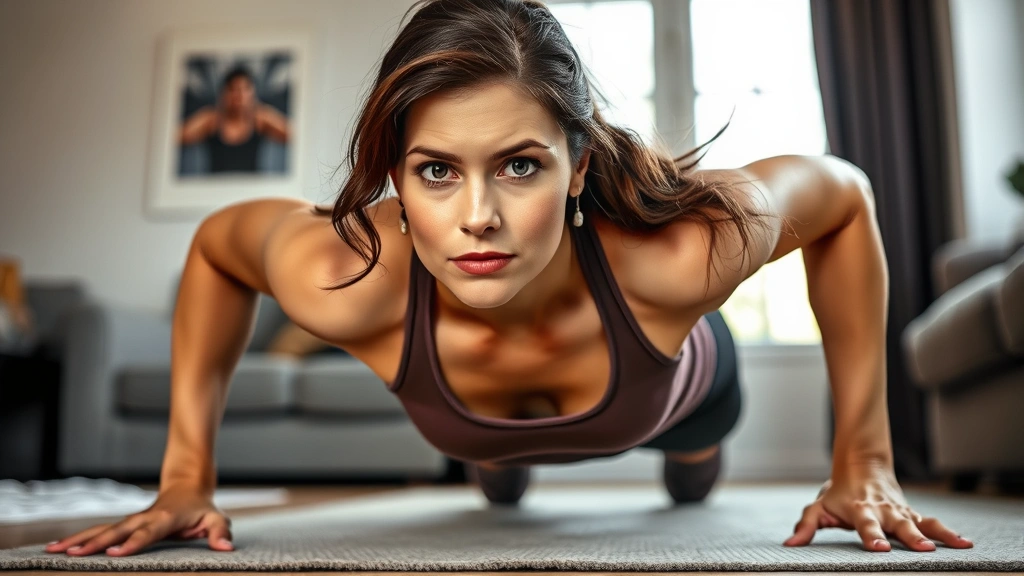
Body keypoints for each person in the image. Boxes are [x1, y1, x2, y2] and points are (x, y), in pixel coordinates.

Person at [47, 0, 974, 559]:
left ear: (577, 168)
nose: (477, 216)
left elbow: (845, 197)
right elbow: (217, 245)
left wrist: (865, 460)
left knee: (695, 477)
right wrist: (182, 477)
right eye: (437, 170)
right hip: (475, 419)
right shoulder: (348, 277)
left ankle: (686, 454)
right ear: (397, 179)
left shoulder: (677, 256)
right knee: (495, 469)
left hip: (676, 391)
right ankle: (500, 461)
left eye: (520, 166)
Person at [178, 64, 290, 173]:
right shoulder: (213, 119)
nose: (239, 96)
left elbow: (295, 135)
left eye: (245, 89)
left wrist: (262, 110)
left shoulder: (259, 118)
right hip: (215, 188)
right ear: (224, 93)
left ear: (253, 93)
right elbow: (177, 137)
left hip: (252, 187)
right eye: (234, 89)